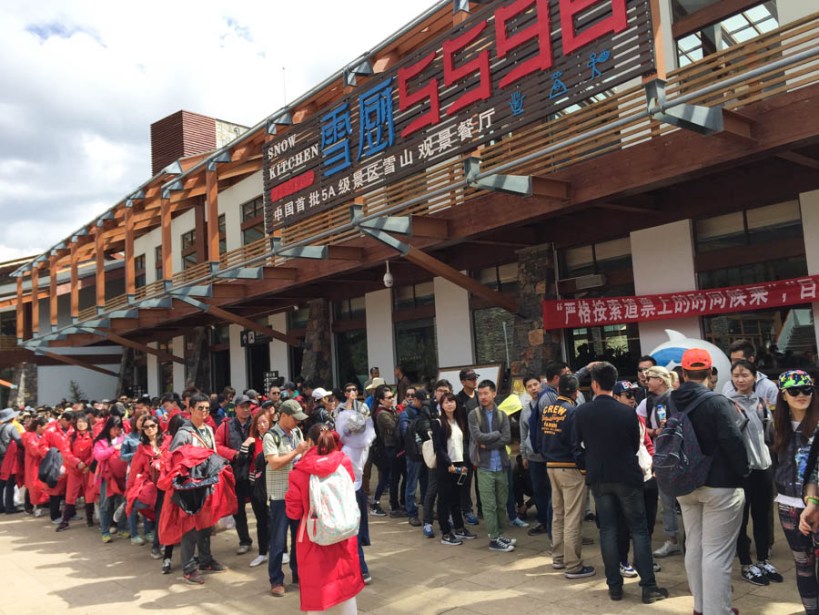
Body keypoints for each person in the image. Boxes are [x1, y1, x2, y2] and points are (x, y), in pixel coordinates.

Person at [574, 362, 667, 603]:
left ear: (594, 384)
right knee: (639, 531)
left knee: (608, 531)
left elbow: (575, 446)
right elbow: (634, 444)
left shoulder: (582, 413)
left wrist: (588, 465)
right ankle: (648, 587)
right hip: (627, 477)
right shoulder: (628, 413)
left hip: (599, 479)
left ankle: (614, 587)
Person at [672, 348, 749, 615]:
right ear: (710, 372)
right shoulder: (716, 402)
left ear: (682, 373)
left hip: (684, 484)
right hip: (720, 485)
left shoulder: (672, 401)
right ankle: (719, 611)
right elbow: (732, 439)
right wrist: (744, 471)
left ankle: (701, 607)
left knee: (695, 545)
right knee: (717, 553)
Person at [285, 423, 364, 614]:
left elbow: (293, 512)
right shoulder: (342, 461)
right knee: (346, 585)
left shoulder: (299, 471)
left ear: (310, 441)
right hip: (344, 529)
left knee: (317, 589)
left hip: (314, 534)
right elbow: (350, 483)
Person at [727, 359, 780, 586]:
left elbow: (770, 433)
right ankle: (746, 563)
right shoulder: (727, 404)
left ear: (754, 377)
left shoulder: (762, 402)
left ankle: (763, 559)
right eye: (736, 375)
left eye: (745, 375)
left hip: (764, 466)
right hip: (742, 471)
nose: (740, 379)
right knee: (741, 518)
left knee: (763, 515)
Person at [168, 393, 229, 584]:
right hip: (191, 486)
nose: (204, 412)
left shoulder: (209, 429)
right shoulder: (183, 433)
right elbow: (175, 460)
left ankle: (206, 560)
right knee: (190, 528)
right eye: (200, 408)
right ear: (190, 409)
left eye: (206, 408)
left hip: (207, 483)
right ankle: (188, 568)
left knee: (206, 523)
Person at [773, 370, 819, 614]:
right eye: (794, 391)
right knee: (803, 566)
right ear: (783, 395)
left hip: (815, 504)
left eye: (807, 389)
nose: (802, 395)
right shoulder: (777, 425)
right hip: (788, 504)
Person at [542, 374, 587, 574]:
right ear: (576, 392)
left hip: (551, 465)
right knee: (573, 517)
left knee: (558, 515)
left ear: (558, 389)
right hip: (569, 467)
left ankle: (558, 558)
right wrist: (583, 467)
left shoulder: (547, 409)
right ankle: (573, 565)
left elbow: (538, 437)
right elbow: (576, 444)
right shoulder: (573, 411)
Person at [637, 365, 683, 560]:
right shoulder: (647, 403)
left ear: (661, 381)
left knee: (688, 501)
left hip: (681, 454)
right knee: (666, 502)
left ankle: (692, 539)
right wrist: (655, 431)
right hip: (661, 456)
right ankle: (672, 539)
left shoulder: (678, 399)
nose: (646, 382)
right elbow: (638, 426)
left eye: (650, 379)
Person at [265, 398, 310, 598]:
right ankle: (276, 579)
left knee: (299, 538)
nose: (298, 423)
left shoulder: (297, 432)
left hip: (297, 494)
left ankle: (298, 574)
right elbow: (274, 463)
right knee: (278, 539)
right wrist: (296, 452)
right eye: (295, 419)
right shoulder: (270, 436)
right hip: (279, 496)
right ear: (283, 416)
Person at [468, 379, 514, 552]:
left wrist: (490, 443)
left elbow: (507, 438)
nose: (483, 397)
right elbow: (477, 437)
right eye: (480, 394)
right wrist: (496, 434)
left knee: (502, 503)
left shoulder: (501, 414)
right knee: (489, 505)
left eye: (486, 393)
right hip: (484, 466)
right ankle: (493, 538)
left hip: (501, 464)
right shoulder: (474, 414)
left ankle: (500, 534)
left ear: (494, 394)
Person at [336, 388, 376, 582]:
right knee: (358, 529)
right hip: (358, 490)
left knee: (350, 531)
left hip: (347, 491)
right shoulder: (365, 446)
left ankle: (359, 568)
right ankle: (361, 567)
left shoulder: (345, 451)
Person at [432, 392, 477, 545]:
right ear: (441, 405)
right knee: (444, 499)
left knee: (457, 499)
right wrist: (448, 464)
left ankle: (459, 528)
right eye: (446, 402)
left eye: (452, 401)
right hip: (446, 466)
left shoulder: (459, 421)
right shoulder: (438, 422)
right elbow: (438, 447)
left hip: (460, 464)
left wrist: (464, 463)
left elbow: (463, 444)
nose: (449, 404)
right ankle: (445, 532)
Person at [215, 393, 256, 557]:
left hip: (254, 472)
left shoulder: (257, 423)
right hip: (236, 473)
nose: (246, 409)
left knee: (261, 508)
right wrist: (234, 454)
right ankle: (244, 541)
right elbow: (217, 445)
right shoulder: (225, 426)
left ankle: (267, 540)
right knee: (238, 510)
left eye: (248, 406)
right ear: (236, 408)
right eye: (243, 406)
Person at [519, 374, 551, 538]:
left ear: (541, 385)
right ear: (526, 390)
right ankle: (543, 521)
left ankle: (555, 522)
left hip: (551, 455)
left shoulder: (550, 404)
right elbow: (523, 434)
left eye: (535, 385)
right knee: (539, 490)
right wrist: (524, 454)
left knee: (554, 490)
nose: (533, 388)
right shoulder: (525, 411)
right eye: (530, 386)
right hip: (533, 457)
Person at [57, 412, 96, 531]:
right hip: (74, 470)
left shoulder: (92, 435)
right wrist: (77, 463)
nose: (81, 424)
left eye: (84, 422)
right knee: (70, 495)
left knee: (89, 495)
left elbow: (95, 452)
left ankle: (89, 519)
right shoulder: (71, 436)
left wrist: (87, 464)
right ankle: (65, 521)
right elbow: (66, 452)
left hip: (87, 470)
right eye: (79, 422)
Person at [93, 415, 128, 543]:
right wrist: (113, 448)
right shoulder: (100, 441)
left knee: (122, 503)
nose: (116, 431)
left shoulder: (124, 439)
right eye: (113, 428)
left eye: (118, 429)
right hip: (107, 477)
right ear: (108, 428)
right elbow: (99, 456)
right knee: (105, 504)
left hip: (122, 476)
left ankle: (122, 528)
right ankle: (105, 531)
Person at [372, 385, 405, 518]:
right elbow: (395, 427)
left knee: (391, 478)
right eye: (389, 398)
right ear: (381, 400)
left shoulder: (389, 410)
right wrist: (402, 415)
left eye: (393, 397)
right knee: (388, 478)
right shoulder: (382, 414)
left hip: (389, 449)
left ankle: (392, 504)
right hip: (385, 450)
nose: (392, 399)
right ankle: (377, 504)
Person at [722, 339, 779, 407]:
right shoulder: (727, 386)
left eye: (738, 360)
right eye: (732, 360)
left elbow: (777, 413)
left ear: (751, 359)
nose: (734, 364)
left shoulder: (768, 387)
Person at [248, 410, 272, 568]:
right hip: (257, 486)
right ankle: (262, 552)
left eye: (265, 422)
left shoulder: (275, 438)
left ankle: (281, 550)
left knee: (275, 520)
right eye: (259, 423)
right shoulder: (251, 441)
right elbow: (246, 463)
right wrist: (245, 445)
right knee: (261, 520)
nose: (262, 425)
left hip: (273, 484)